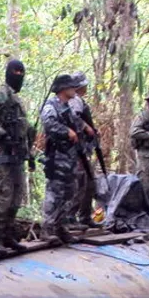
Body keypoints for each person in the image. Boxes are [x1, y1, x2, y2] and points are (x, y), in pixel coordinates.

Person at [0, 58, 31, 253]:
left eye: (21, 73)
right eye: (15, 73)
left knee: (17, 196)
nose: (18, 76)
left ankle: (8, 235)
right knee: (3, 196)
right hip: (2, 152)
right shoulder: (1, 94)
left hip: (17, 154)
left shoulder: (16, 99)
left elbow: (23, 127)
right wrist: (3, 134)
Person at [39, 74, 85, 243]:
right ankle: (48, 228)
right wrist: (67, 131)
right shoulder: (51, 106)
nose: (75, 90)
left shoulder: (68, 108)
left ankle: (61, 227)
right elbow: (49, 124)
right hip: (57, 157)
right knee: (54, 193)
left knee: (69, 192)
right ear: (63, 89)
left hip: (70, 158)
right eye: (72, 87)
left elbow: (78, 126)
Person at [68, 72, 100, 227]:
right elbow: (74, 118)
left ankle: (85, 216)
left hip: (84, 148)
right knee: (80, 182)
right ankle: (71, 216)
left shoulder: (79, 100)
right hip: (77, 149)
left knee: (89, 182)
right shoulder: (74, 100)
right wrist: (86, 127)